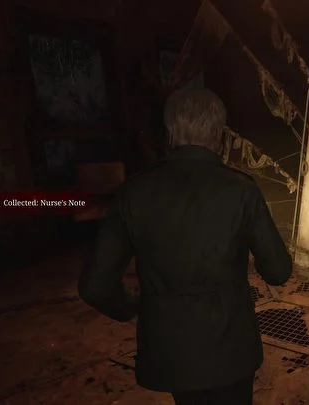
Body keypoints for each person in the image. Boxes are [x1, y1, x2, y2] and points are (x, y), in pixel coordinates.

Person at [78, 88, 292, 405]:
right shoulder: (241, 190)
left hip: (170, 348)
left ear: (169, 133)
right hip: (231, 347)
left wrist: (133, 308)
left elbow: (95, 286)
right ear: (220, 135)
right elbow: (278, 271)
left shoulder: (132, 192)